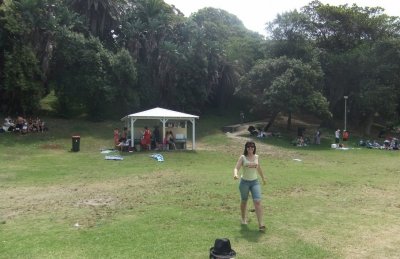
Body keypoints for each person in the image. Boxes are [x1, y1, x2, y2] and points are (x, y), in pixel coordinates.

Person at [233, 141, 266, 232]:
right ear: (246, 148)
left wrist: (263, 178)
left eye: (252, 146)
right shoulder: (243, 157)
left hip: (255, 182)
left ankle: (261, 224)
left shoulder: (256, 157)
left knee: (257, 201)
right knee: (244, 201)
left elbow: (259, 168)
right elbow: (236, 168)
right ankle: (243, 219)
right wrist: (235, 174)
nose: (250, 148)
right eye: (248, 147)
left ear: (254, 148)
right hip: (244, 183)